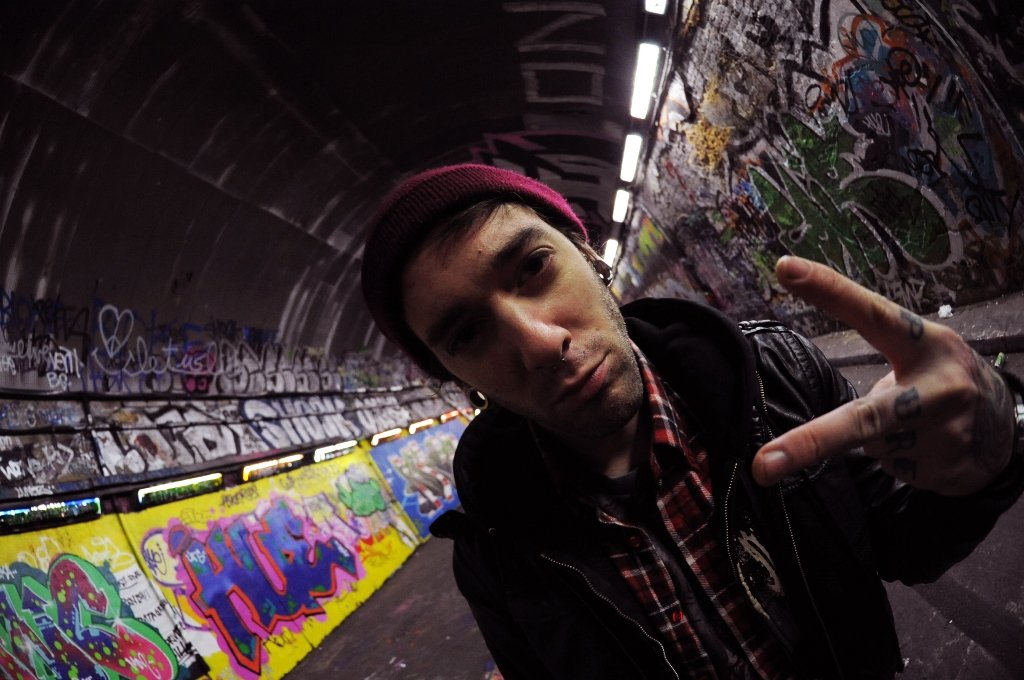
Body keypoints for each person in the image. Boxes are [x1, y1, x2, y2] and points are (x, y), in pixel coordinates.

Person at [360, 164, 1024, 679]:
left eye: (533, 267)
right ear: (458, 379)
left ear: (590, 255)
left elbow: (904, 543)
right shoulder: (496, 556)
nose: (539, 344)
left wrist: (997, 440)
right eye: (468, 333)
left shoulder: (776, 378)